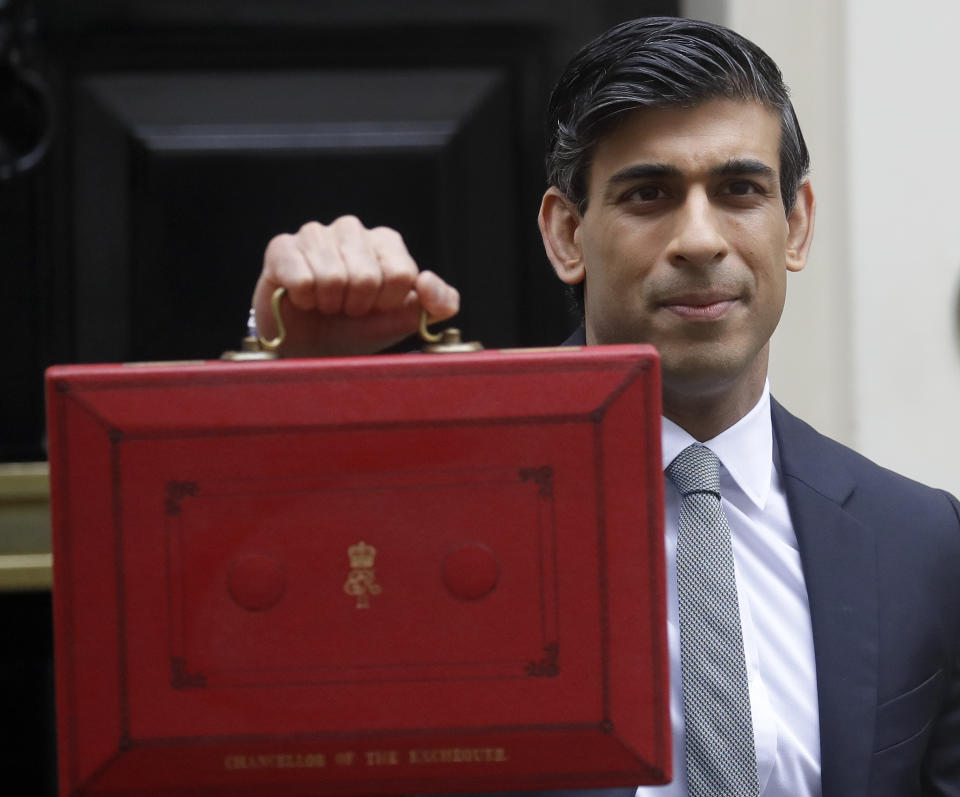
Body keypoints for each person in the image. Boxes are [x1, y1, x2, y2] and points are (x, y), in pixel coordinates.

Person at [251, 16, 960, 797]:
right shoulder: (431, 505)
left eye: (740, 190)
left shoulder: (919, 542)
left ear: (795, 225)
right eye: (649, 193)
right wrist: (288, 381)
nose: (699, 239)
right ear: (566, 236)